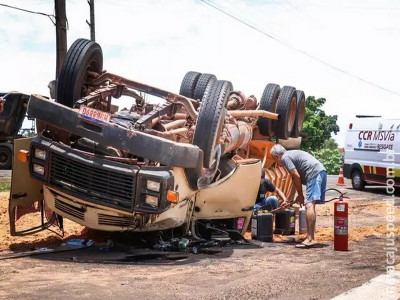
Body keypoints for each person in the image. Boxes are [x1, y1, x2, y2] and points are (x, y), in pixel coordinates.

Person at [270, 144, 327, 248]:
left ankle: (310, 238)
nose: (277, 163)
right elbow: (294, 181)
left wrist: (300, 195)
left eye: (275, 160)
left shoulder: (285, 157)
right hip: (321, 172)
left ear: (278, 156)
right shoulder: (291, 155)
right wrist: (288, 200)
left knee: (309, 205)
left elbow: (296, 176)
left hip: (313, 173)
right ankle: (310, 237)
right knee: (311, 204)